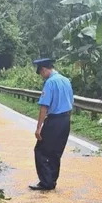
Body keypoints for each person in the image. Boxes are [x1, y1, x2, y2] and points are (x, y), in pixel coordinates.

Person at [30, 59, 74, 191]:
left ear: (44, 69)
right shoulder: (66, 80)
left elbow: (44, 107)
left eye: (41, 73)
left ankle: (45, 182)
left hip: (54, 121)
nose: (42, 76)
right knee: (56, 152)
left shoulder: (50, 83)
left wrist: (39, 128)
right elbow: (71, 102)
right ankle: (52, 180)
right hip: (65, 120)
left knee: (41, 150)